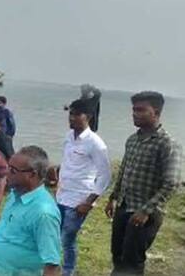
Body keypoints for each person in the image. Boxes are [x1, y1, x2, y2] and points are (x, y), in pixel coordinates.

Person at [105, 91, 181, 275]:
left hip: (145, 214)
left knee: (132, 262)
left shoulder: (167, 143)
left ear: (155, 112)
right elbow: (124, 171)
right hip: (124, 207)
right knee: (117, 255)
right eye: (133, 109)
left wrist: (146, 210)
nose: (134, 113)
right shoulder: (132, 140)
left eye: (140, 110)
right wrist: (113, 197)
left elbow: (172, 183)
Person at [0, 146, 61, 276]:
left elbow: (51, 264)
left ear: (32, 174)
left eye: (13, 170)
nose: (7, 173)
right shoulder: (15, 195)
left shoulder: (43, 213)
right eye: (8, 167)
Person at [55, 99, 112, 276]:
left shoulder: (96, 144)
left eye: (76, 114)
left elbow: (105, 175)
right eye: (70, 114)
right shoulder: (68, 136)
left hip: (78, 200)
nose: (71, 118)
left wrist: (89, 202)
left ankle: (68, 271)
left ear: (88, 117)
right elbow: (68, 162)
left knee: (67, 239)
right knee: (55, 235)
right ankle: (52, 268)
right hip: (61, 195)